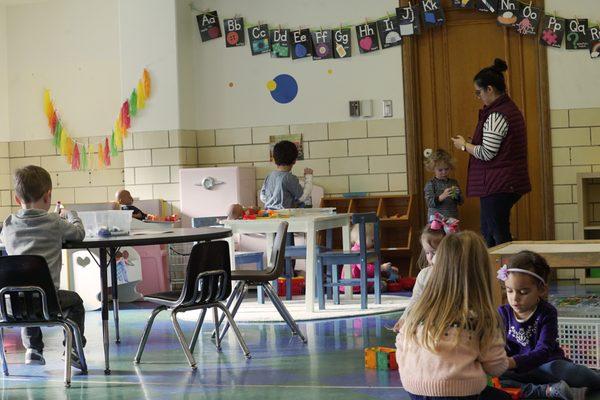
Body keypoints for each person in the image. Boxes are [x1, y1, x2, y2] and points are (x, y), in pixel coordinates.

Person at [395, 231, 509, 399]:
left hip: (414, 389)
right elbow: (496, 367)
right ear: (482, 274)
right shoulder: (479, 317)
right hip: (458, 392)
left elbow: (400, 345)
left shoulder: (417, 311)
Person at [0, 165, 86, 368]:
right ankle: (73, 349)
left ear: (16, 199)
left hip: (10, 306)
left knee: (24, 291)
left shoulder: (9, 223)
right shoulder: (55, 221)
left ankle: (33, 350)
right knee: (75, 302)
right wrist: (70, 214)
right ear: (48, 197)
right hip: (48, 303)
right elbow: (78, 233)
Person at [497, 251, 600, 399]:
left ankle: (595, 378)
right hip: (519, 371)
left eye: (523, 292)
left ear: (541, 289)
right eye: (509, 291)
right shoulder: (503, 313)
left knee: (564, 370)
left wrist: (513, 362)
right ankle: (546, 391)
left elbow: (544, 350)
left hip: (547, 365)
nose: (515, 298)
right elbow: (495, 344)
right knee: (494, 378)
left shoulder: (547, 312)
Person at [451, 58, 531, 248]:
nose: (478, 97)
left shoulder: (497, 114)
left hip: (498, 182)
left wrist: (464, 145)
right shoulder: (508, 109)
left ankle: (503, 275)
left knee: (497, 236)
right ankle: (501, 275)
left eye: (478, 92)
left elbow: (487, 153)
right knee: (493, 232)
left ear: (490, 89)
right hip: (503, 181)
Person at [398, 214, 458, 322]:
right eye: (427, 252)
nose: (430, 257)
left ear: (450, 251)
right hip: (427, 323)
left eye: (434, 252)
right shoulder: (424, 275)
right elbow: (415, 300)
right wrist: (404, 319)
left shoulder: (456, 274)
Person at [342, 222, 399, 293]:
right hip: (355, 286)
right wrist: (381, 268)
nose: (373, 243)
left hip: (357, 282)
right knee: (382, 285)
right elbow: (366, 268)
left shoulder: (359, 249)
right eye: (372, 240)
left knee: (382, 280)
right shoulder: (357, 252)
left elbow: (370, 266)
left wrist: (386, 269)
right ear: (362, 238)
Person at [260, 140, 313, 210]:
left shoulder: (269, 176)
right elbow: (303, 197)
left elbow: (262, 197)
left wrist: (274, 201)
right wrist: (308, 177)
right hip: (285, 215)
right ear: (294, 161)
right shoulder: (290, 178)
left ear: (274, 160)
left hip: (269, 214)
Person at [424, 149, 463, 220]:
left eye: (446, 169)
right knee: (436, 231)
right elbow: (429, 203)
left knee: (453, 231)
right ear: (433, 169)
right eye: (440, 170)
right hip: (436, 219)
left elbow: (460, 202)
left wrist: (457, 196)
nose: (444, 172)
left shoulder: (453, 182)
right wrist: (442, 196)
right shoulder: (431, 184)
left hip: (452, 218)